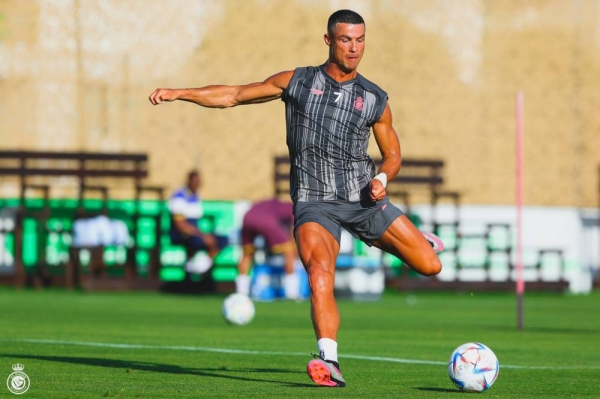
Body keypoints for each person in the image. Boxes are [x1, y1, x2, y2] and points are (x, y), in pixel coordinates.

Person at [150, 9, 443, 388]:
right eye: (345, 40)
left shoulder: (374, 98)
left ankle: (420, 243)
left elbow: (393, 154)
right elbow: (235, 94)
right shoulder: (299, 82)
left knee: (431, 266)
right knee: (320, 271)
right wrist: (180, 93)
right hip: (314, 202)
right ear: (328, 41)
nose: (354, 48)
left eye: (360, 40)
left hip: (363, 200)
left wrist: (383, 177)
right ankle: (330, 360)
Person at [236, 198, 300, 300]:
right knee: (289, 250)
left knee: (247, 254)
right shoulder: (293, 209)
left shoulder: (274, 203)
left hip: (247, 218)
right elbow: (293, 232)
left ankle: (241, 293)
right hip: (265, 221)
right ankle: (292, 293)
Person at [168, 170, 228, 274]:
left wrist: (204, 235)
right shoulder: (179, 196)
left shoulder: (197, 196)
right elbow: (180, 224)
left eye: (199, 181)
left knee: (222, 240)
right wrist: (203, 236)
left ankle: (202, 265)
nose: (197, 183)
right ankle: (191, 265)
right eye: (195, 181)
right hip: (182, 233)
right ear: (188, 181)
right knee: (196, 241)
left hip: (196, 231)